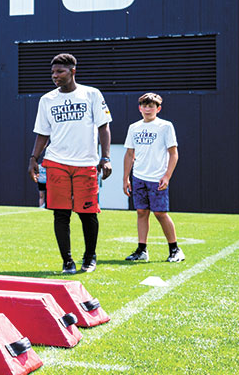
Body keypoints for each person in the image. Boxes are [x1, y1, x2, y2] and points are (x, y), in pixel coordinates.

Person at [28, 53, 112, 274]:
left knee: (87, 213)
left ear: (73, 71)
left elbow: (103, 127)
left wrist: (106, 157)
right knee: (61, 213)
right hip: (56, 162)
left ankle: (90, 257)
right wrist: (33, 159)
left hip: (85, 163)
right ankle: (67, 261)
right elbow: (42, 133)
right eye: (53, 72)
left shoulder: (91, 94)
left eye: (60, 72)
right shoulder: (47, 100)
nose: (55, 76)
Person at [123, 93, 183, 263]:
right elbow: (129, 154)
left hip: (157, 178)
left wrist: (167, 176)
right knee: (141, 212)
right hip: (138, 177)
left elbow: (173, 153)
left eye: (151, 106)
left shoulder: (165, 126)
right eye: (144, 105)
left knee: (160, 213)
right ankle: (142, 250)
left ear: (158, 109)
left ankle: (175, 249)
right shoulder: (134, 127)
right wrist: (125, 178)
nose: (148, 109)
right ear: (139, 108)